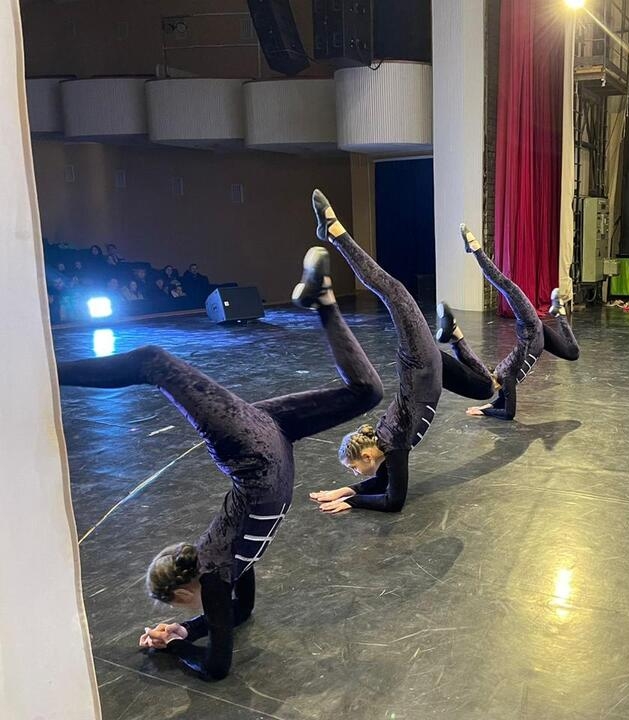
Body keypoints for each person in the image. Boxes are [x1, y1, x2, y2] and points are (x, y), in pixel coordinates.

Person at [57, 243, 383, 680]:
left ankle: (47, 371)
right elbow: (239, 615)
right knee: (367, 393)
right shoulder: (224, 568)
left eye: (181, 609)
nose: (198, 610)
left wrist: (175, 646)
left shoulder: (215, 574)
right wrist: (185, 632)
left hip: (252, 450)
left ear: (181, 594)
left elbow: (215, 666)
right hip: (275, 436)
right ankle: (322, 298)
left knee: (153, 361)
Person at [307, 190, 442, 514]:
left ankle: (335, 233)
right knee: (484, 388)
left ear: (367, 456)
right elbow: (383, 485)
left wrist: (350, 500)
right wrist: (342, 491)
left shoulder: (393, 445)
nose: (355, 473)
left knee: (393, 291)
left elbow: (393, 501)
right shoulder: (387, 448)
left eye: (354, 468)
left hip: (421, 363)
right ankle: (475, 362)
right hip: (430, 370)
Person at [433, 224, 580, 422]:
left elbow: (505, 408)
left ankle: (476, 250)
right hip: (535, 332)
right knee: (572, 353)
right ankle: (559, 312)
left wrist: (485, 409)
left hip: (532, 330)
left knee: (506, 286)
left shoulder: (505, 378)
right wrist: (486, 409)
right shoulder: (506, 379)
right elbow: (506, 409)